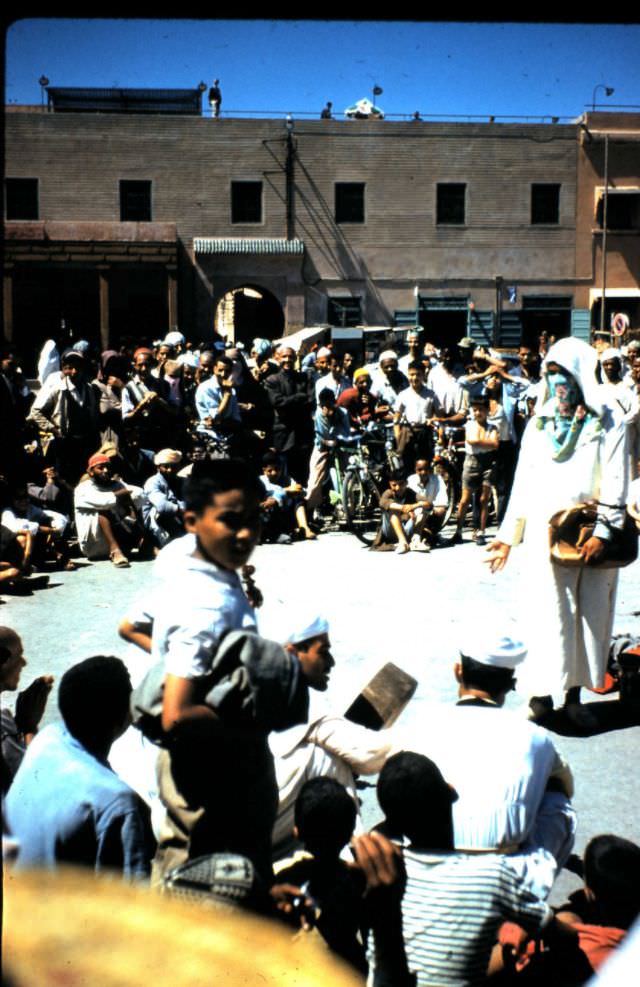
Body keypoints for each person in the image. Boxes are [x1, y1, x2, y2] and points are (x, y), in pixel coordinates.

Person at [150, 459, 309, 883]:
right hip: (215, 773)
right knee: (207, 885)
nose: (245, 534)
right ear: (191, 521)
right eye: (230, 521)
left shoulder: (206, 573)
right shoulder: (207, 603)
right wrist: (253, 716)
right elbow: (177, 714)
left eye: (254, 520)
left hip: (211, 763)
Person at [486, 337, 630, 726]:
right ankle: (539, 697)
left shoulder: (608, 420)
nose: (556, 382)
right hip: (542, 539)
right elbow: (523, 482)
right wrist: (506, 537)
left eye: (562, 373)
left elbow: (616, 478)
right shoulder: (539, 423)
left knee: (587, 617)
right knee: (544, 615)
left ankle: (573, 698)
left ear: (580, 374)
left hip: (587, 536)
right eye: (549, 374)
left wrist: (604, 530)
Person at [369, 751, 576, 987]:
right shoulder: (492, 874)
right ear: (451, 792)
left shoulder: (381, 882)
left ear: (391, 825)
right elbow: (566, 938)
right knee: (567, 918)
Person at [396, 632, 576, 900]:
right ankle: (531, 898)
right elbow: (565, 785)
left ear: (458, 671)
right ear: (510, 684)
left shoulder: (421, 725)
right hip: (508, 873)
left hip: (431, 863)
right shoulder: (536, 737)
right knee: (557, 798)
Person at [5, 655, 154, 876]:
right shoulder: (119, 804)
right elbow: (131, 902)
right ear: (124, 714)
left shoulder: (47, 739)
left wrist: (28, 726)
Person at [273, 777, 368, 973]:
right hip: (344, 970)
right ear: (350, 832)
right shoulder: (357, 880)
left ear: (296, 832)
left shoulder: (278, 877)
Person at [1, 626, 53, 796]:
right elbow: (32, 786)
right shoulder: (3, 726)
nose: (23, 663)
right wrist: (28, 726)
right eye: (17, 656)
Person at [74, 452, 144, 567]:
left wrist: (129, 504)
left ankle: (143, 542)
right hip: (94, 544)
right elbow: (104, 501)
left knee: (136, 504)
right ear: (91, 472)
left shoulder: (117, 484)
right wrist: (124, 493)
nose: (106, 471)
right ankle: (115, 551)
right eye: (100, 468)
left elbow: (139, 493)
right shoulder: (82, 489)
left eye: (108, 467)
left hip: (120, 538)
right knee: (104, 510)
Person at [452, 395, 499, 546]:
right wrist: (486, 442)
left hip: (487, 463)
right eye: (475, 410)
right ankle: (458, 531)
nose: (478, 413)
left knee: (484, 499)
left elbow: (495, 444)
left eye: (481, 410)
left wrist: (483, 442)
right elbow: (471, 440)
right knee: (465, 499)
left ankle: (480, 531)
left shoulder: (493, 427)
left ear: (487, 411)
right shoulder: (469, 425)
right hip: (471, 462)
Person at [378, 470, 432, 554]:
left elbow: (428, 503)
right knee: (393, 508)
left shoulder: (410, 492)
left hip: (406, 529)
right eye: (394, 485)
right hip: (390, 531)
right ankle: (402, 542)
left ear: (406, 483)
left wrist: (413, 506)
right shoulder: (388, 493)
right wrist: (402, 508)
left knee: (424, 509)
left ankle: (415, 540)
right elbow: (382, 502)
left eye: (401, 484)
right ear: (390, 484)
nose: (398, 488)